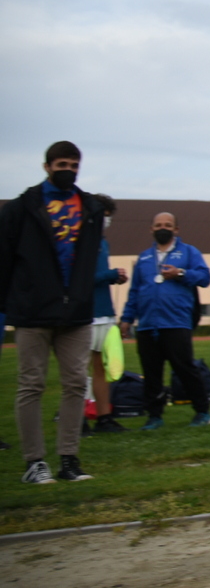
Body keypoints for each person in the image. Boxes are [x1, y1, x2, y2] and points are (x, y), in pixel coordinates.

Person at [0, 141, 109, 482]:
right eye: (62, 165)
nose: (69, 171)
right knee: (31, 385)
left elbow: (88, 260)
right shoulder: (21, 208)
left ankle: (69, 460)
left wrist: (81, 297)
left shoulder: (90, 208)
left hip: (75, 312)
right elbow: (4, 258)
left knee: (75, 383)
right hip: (33, 310)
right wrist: (9, 303)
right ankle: (35, 463)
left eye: (74, 166)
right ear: (47, 166)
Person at [121, 211, 210, 428]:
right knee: (151, 373)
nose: (163, 228)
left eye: (168, 225)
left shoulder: (189, 252)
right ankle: (154, 416)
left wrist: (181, 274)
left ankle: (202, 412)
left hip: (176, 322)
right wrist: (127, 318)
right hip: (147, 324)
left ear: (176, 230)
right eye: (158, 225)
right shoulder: (144, 258)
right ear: (151, 229)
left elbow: (205, 277)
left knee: (185, 369)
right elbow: (135, 291)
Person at [89, 195, 129, 433]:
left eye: (108, 216)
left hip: (104, 312)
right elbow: (79, 279)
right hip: (85, 313)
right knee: (77, 371)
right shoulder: (77, 240)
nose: (106, 220)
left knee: (101, 368)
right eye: (102, 215)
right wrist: (110, 275)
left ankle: (104, 417)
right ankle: (77, 420)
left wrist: (114, 277)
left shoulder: (103, 243)